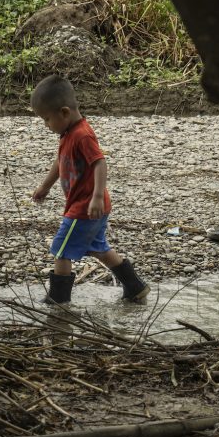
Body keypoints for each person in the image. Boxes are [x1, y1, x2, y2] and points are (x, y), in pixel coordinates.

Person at [30, 75, 150, 306]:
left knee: (61, 250)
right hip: (92, 207)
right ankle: (135, 287)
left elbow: (100, 163)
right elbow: (60, 160)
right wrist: (45, 186)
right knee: (99, 248)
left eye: (46, 119)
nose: (46, 125)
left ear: (64, 112)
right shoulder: (67, 134)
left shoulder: (82, 135)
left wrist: (95, 197)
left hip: (85, 208)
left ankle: (59, 301)